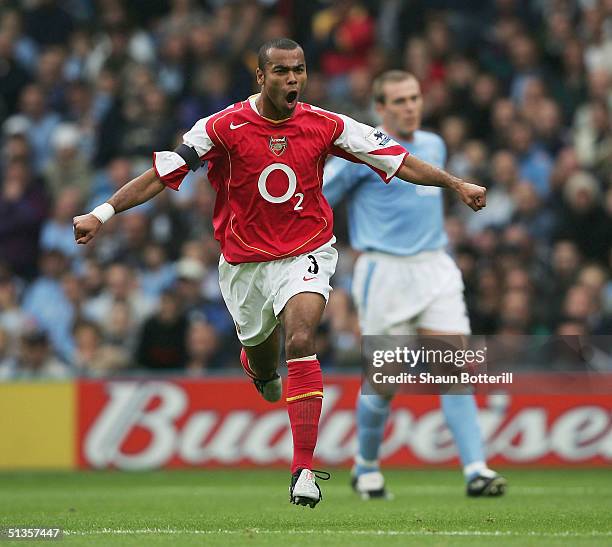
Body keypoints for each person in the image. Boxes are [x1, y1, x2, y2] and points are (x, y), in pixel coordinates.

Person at [73, 39, 486, 508]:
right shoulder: (221, 127)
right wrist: (100, 214)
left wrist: (455, 184)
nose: (293, 79)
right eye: (283, 71)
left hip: (306, 251)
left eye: (300, 70)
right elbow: (160, 174)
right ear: (261, 77)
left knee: (303, 338)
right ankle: (258, 366)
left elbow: (398, 158)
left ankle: (303, 470)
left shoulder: (326, 124)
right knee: (267, 367)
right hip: (244, 266)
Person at [323, 70, 506, 498]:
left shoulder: (434, 144)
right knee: (384, 384)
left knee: (455, 369)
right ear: (380, 108)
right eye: (399, 100)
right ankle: (365, 466)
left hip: (435, 267)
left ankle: (476, 470)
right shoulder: (360, 153)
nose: (410, 106)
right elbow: (316, 196)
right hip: (385, 273)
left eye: (414, 98)